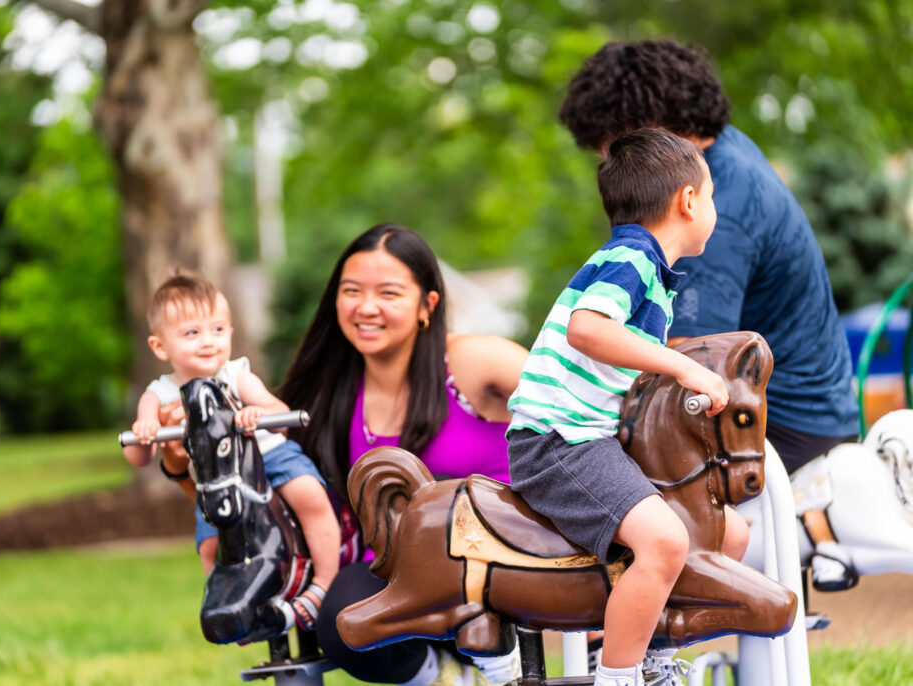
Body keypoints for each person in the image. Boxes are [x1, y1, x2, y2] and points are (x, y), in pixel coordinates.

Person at [558, 39, 861, 591]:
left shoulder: (707, 212)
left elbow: (691, 351)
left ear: (647, 124)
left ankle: (623, 629)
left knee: (591, 458)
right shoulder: (720, 160)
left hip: (783, 419)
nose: (608, 161)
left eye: (611, 143)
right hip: (800, 402)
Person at [507, 128, 749, 686]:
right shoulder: (632, 258)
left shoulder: (648, 272)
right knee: (665, 539)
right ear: (689, 201)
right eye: (711, 196)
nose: (713, 208)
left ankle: (658, 656)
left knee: (727, 533)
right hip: (558, 441)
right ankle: (620, 677)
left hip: (594, 438)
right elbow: (588, 328)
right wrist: (685, 366)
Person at [278, 224, 529, 686]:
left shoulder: (473, 363)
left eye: (388, 293)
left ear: (427, 305)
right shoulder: (329, 392)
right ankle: (449, 681)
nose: (366, 307)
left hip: (504, 572)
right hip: (406, 586)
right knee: (343, 616)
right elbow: (267, 474)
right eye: (351, 291)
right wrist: (178, 460)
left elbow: (576, 402)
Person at [121, 273, 340, 630]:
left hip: (269, 458)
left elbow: (279, 414)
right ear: (160, 347)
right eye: (192, 333)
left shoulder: (237, 375)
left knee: (311, 497)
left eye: (218, 329)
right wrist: (144, 432)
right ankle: (229, 610)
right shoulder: (159, 393)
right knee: (210, 544)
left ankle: (324, 583)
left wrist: (259, 414)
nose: (208, 342)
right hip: (217, 480)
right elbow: (138, 457)